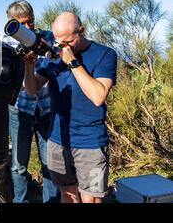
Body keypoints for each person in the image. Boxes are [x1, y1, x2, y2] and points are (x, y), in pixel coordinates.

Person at [24, 11, 117, 203]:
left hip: (90, 142)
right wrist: (28, 66)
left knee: (91, 199)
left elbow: (98, 96)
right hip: (57, 139)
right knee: (67, 194)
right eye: (58, 41)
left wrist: (73, 63)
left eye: (67, 42)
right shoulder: (54, 55)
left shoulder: (104, 54)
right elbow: (32, 89)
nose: (61, 47)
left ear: (81, 31)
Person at [3, 0, 60, 203]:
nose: (29, 27)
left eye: (31, 22)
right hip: (20, 111)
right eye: (23, 24)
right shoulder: (6, 45)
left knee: (50, 163)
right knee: (19, 166)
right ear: (12, 23)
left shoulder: (46, 39)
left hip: (45, 109)